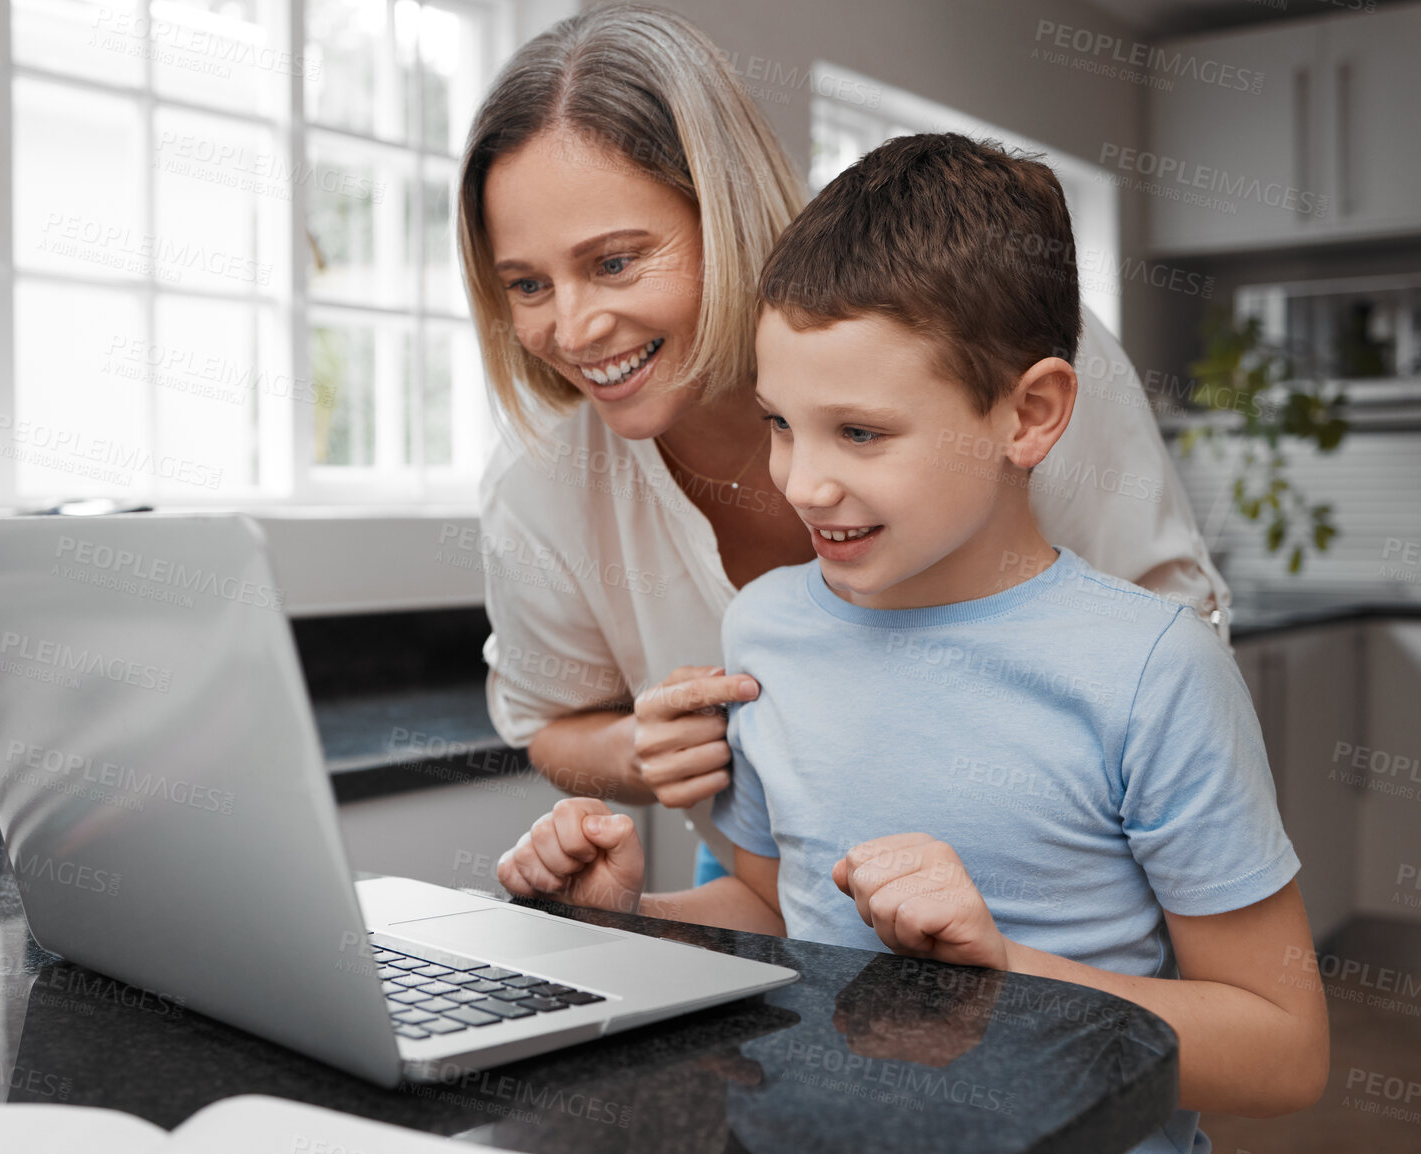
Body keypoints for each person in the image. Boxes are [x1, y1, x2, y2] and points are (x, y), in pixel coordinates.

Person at [494, 133, 1329, 1153]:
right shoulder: (767, 630)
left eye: (862, 433)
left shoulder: (1156, 671)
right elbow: (783, 912)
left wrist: (997, 973)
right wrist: (630, 922)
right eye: (781, 422)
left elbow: (1283, 1050)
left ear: (1029, 414)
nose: (802, 482)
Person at [459, 4, 1229, 886]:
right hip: (777, 862)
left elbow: (1171, 648)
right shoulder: (542, 489)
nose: (574, 325)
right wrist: (639, 752)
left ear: (727, 211)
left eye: (616, 262)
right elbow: (550, 721)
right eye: (525, 283)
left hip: (1059, 860)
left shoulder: (998, 352)